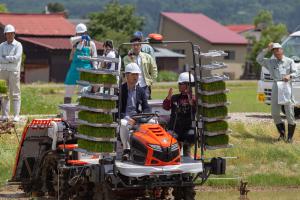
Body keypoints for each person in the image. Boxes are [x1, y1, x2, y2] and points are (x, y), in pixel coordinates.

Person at [256, 42, 298, 143]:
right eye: (274, 50)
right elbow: (259, 59)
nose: (277, 51)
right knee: (275, 113)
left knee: (289, 112)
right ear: (273, 52)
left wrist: (290, 76)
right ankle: (282, 134)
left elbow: (296, 72)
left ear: (282, 50)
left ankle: (290, 137)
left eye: (278, 49)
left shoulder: (290, 61)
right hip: (276, 86)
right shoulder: (270, 62)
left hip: (287, 86)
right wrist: (266, 49)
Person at [120, 63, 151, 160]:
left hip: (138, 118)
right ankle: (126, 150)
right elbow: (118, 110)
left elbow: (147, 108)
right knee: (124, 123)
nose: (136, 77)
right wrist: (128, 119)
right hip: (125, 118)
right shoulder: (120, 90)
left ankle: (150, 149)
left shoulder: (141, 90)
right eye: (133, 74)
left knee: (153, 122)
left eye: (137, 75)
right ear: (127, 75)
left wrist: (143, 118)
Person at [162, 72, 196, 156]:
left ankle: (187, 150)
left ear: (188, 85)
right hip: (175, 129)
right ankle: (175, 153)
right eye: (179, 83)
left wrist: (191, 100)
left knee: (192, 135)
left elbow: (196, 108)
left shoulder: (194, 98)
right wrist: (168, 98)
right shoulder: (174, 98)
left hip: (188, 129)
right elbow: (166, 107)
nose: (179, 85)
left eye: (181, 84)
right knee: (169, 136)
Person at [64, 23, 97, 104]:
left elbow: (94, 58)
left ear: (86, 33)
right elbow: (71, 40)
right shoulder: (74, 42)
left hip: (85, 71)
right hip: (74, 70)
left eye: (82, 33)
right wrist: (81, 38)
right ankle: (65, 112)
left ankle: (79, 113)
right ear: (76, 34)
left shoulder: (91, 44)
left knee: (82, 94)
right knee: (68, 91)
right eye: (79, 33)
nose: (81, 35)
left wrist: (95, 68)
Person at [0, 24, 23, 122]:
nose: (9, 35)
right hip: (2, 72)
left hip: (14, 72)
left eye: (11, 33)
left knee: (15, 93)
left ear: (14, 34)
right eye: (7, 34)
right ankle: (5, 115)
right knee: (3, 93)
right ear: (5, 34)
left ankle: (16, 115)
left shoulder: (18, 45)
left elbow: (16, 58)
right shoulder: (1, 45)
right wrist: (10, 59)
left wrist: (5, 58)